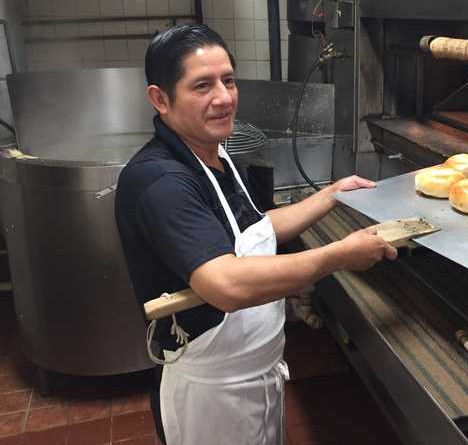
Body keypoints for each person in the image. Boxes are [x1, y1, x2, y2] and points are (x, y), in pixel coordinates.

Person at [115, 24, 397, 445]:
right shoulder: (162, 181)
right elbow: (225, 284)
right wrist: (339, 255)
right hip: (213, 394)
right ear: (160, 99)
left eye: (228, 81)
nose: (224, 98)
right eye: (202, 86)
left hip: (255, 374)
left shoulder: (214, 154)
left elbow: (255, 230)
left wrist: (332, 195)